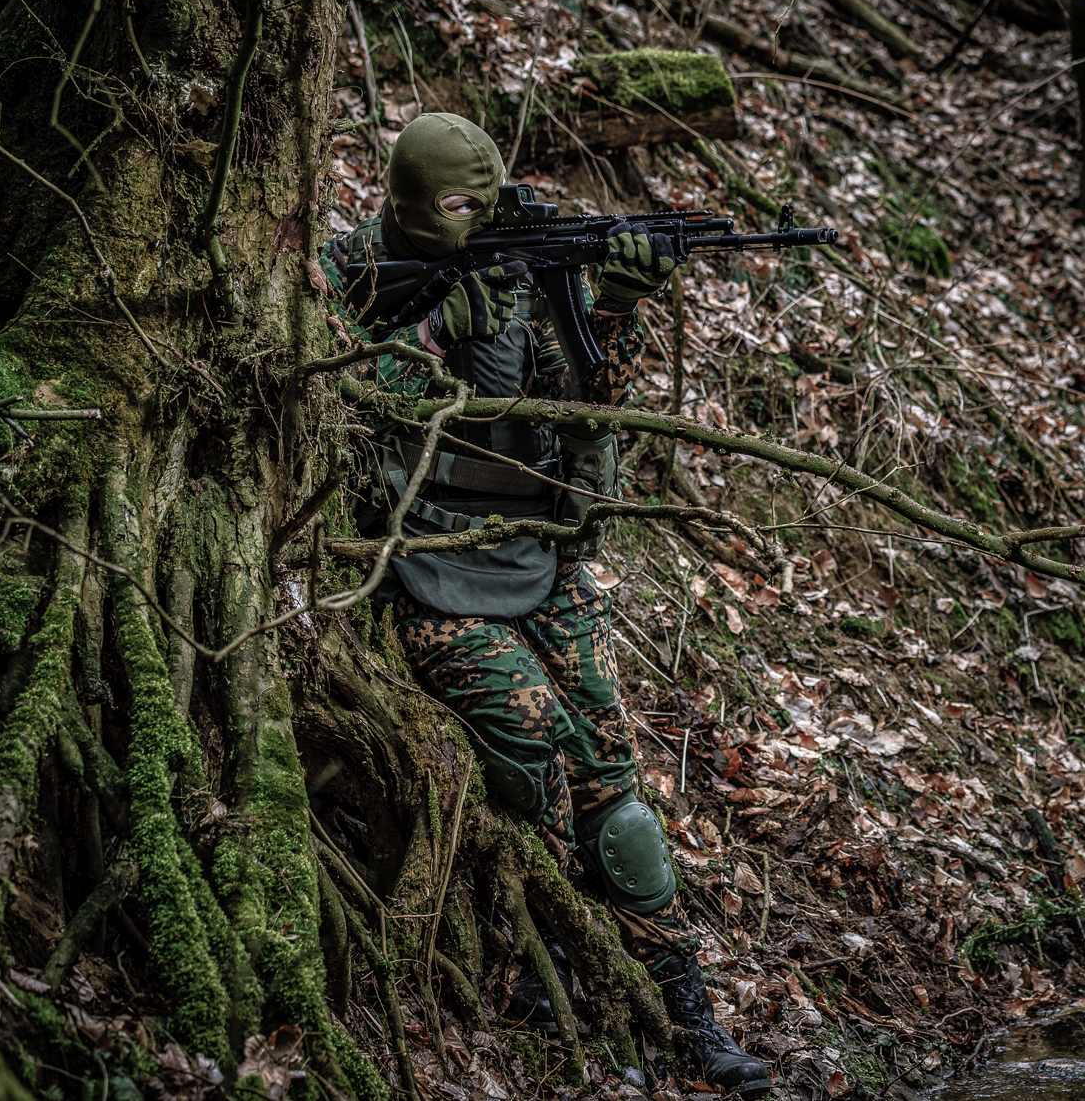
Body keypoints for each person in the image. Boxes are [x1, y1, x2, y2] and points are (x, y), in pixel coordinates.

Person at [319, 112, 770, 1097]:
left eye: (485, 205)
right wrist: (439, 330)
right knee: (543, 755)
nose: (476, 222)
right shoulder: (348, 269)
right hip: (427, 561)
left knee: (614, 779)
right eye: (453, 208)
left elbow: (582, 407)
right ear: (407, 205)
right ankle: (540, 963)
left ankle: (685, 1008)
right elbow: (337, 398)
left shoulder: (534, 263)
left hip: (537, 555)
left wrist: (608, 303)